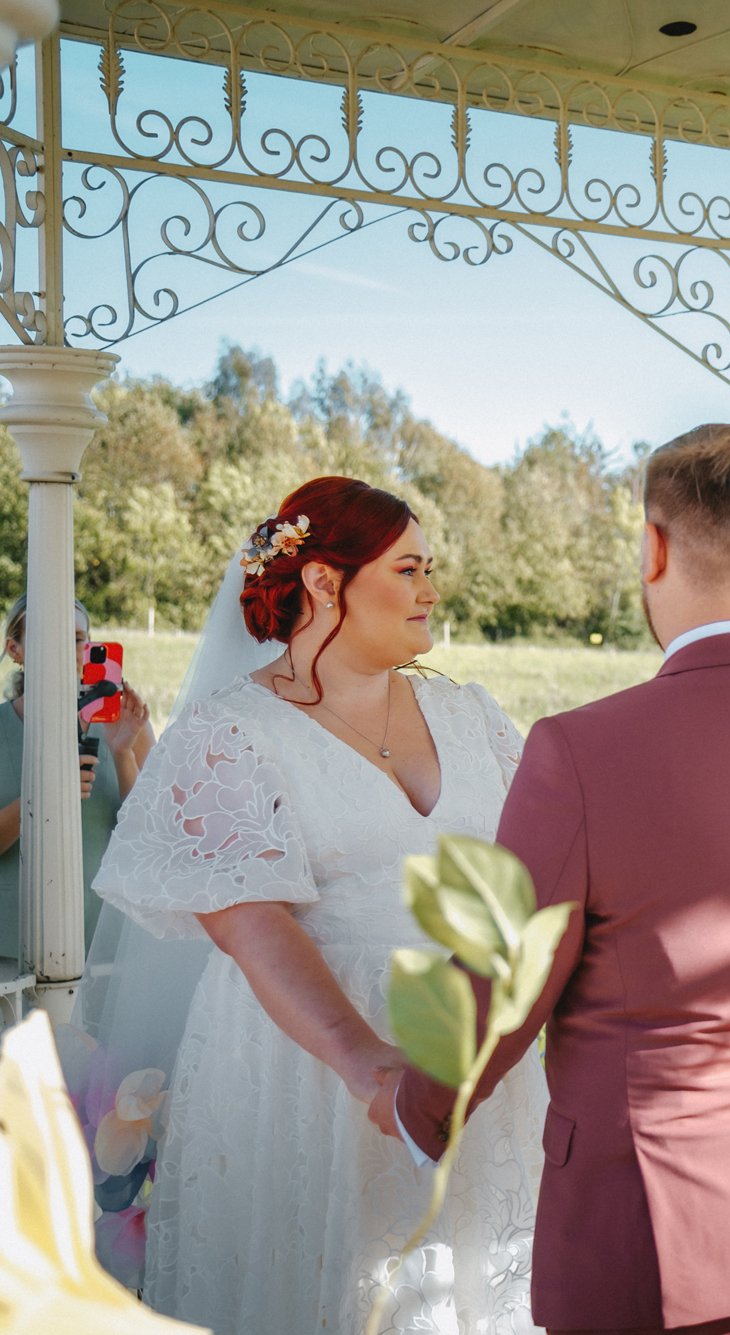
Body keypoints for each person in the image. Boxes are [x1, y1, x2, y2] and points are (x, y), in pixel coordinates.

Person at [391, 423, 730, 1335]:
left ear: (652, 546)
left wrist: (418, 1111)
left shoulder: (580, 749)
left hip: (661, 1237)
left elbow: (501, 980)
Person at [87, 476, 546, 1332]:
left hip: (474, 1059)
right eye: (408, 568)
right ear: (325, 582)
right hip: (308, 1067)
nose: (430, 590)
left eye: (429, 568)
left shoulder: (472, 713)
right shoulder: (233, 733)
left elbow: (543, 870)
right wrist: (365, 1060)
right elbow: (250, 922)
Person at [0, 595, 153, 960]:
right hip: (10, 942)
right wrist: (47, 792)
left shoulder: (126, 727)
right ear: (15, 649)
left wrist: (122, 754)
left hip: (103, 937)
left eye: (76, 638)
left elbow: (149, 836)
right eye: (46, 635)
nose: (63, 647)